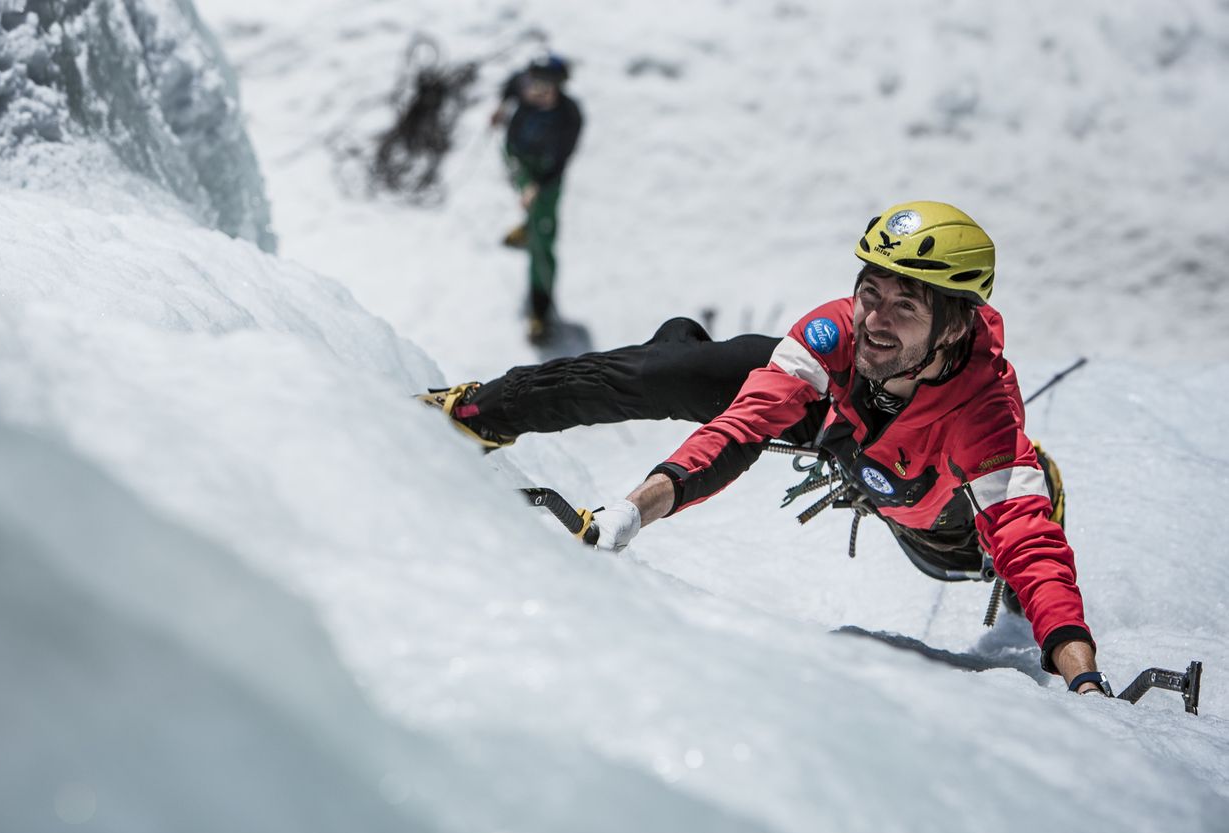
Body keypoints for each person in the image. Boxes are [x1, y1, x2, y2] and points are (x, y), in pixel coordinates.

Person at [419, 201, 1107, 696]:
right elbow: (744, 425)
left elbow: (1027, 539)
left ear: (955, 329)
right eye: (871, 292)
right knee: (682, 372)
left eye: (906, 307)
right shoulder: (838, 335)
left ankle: (1035, 500)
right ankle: (480, 411)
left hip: (941, 511)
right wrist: (634, 509)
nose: (874, 319)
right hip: (842, 423)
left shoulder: (982, 409)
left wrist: (1082, 676)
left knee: (1015, 565)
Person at [491, 54, 584, 343]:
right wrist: (501, 107)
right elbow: (510, 85)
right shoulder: (522, 87)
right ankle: (528, 227)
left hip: (545, 177)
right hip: (519, 161)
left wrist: (537, 186)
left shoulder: (569, 117)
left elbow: (561, 161)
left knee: (543, 244)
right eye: (532, 82)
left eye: (545, 85)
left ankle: (540, 310)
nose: (534, 90)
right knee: (530, 210)